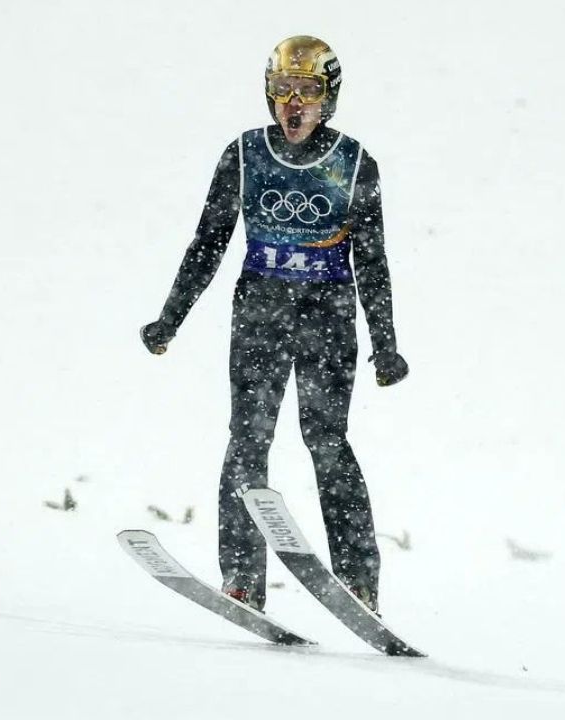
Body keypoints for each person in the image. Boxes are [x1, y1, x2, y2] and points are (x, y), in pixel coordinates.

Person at [140, 36, 408, 614]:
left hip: (327, 312)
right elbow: (207, 243)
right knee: (247, 440)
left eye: (308, 91)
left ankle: (359, 581)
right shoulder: (244, 155)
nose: (294, 103)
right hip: (261, 309)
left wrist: (387, 346)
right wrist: (171, 318)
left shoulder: (356, 163)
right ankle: (241, 578)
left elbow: (374, 262)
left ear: (328, 97)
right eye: (283, 89)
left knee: (326, 440)